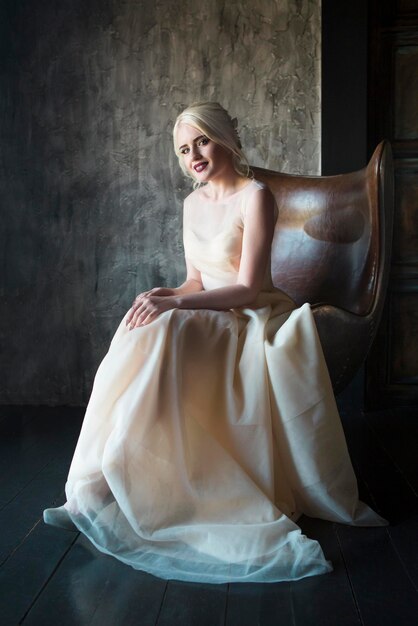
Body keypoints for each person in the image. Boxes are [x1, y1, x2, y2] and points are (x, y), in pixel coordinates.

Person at [44, 101, 386, 583]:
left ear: (225, 136)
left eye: (201, 141)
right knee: (141, 322)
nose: (194, 156)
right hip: (206, 309)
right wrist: (166, 296)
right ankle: (102, 481)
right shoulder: (191, 204)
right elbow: (194, 283)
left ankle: (114, 484)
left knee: (170, 324)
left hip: (249, 314)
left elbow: (247, 288)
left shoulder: (256, 197)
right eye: (184, 150)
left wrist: (180, 307)